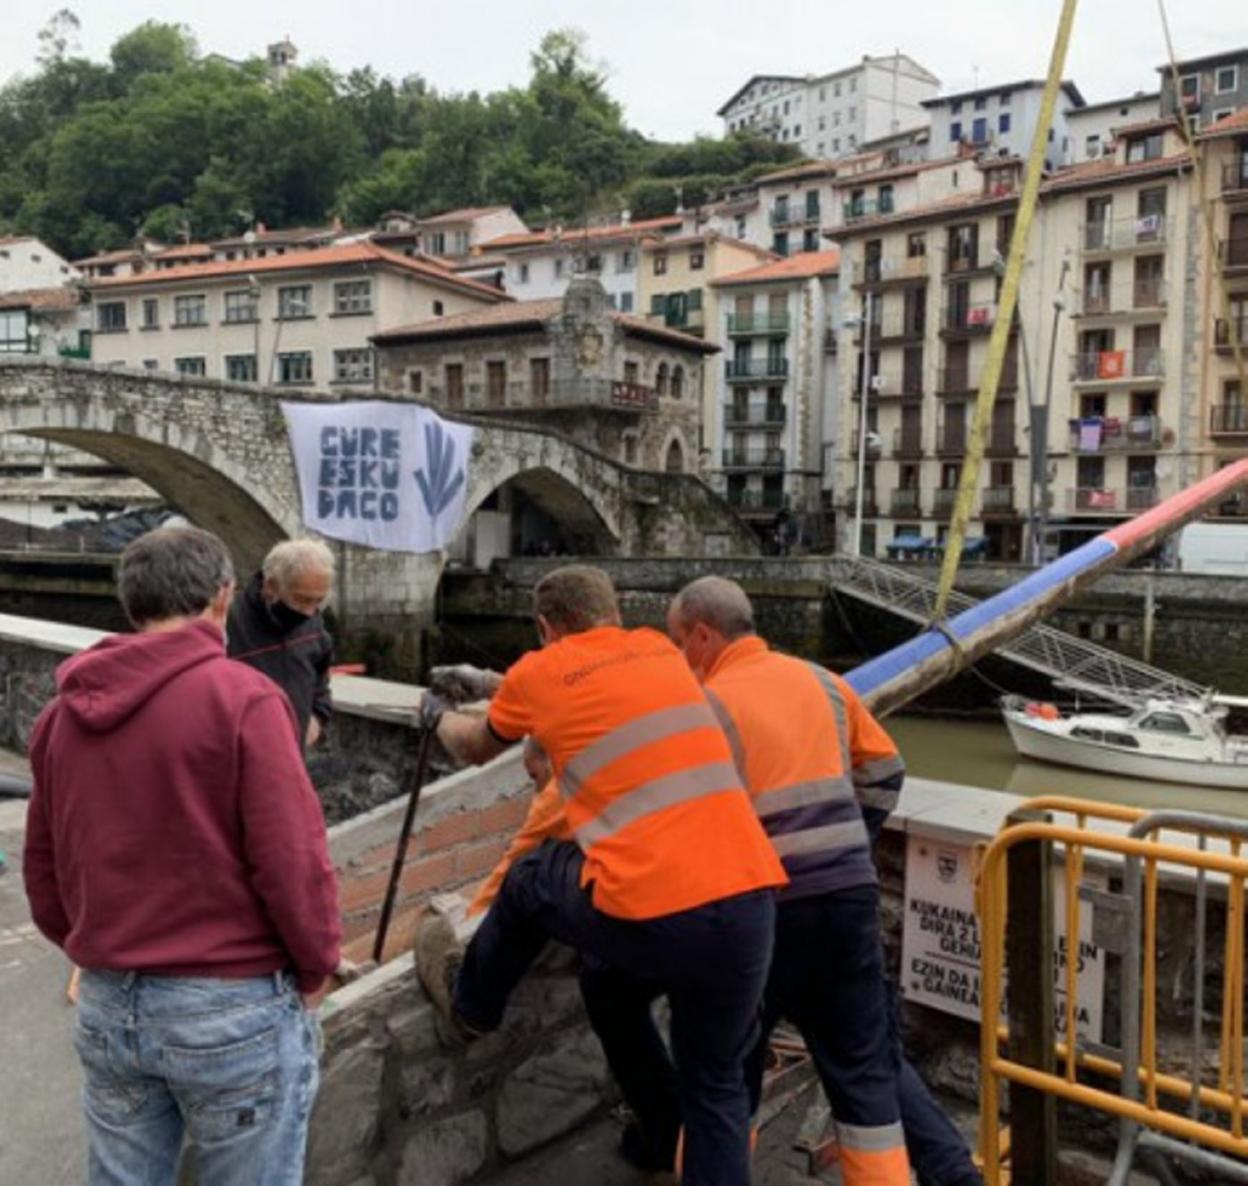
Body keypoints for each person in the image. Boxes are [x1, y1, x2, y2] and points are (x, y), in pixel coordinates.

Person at [415, 564, 787, 1186]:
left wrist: (435, 716)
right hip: (748, 900)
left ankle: (473, 1003)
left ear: (544, 627)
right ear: (614, 612)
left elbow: (478, 743)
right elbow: (596, 692)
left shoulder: (542, 670)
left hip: (655, 909)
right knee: (705, 1077)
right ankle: (664, 1132)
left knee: (533, 875)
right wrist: (489, 680)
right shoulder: (660, 654)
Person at [24, 526, 342, 1186]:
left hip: (112, 1002)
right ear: (224, 599)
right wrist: (317, 964)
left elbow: (44, 872)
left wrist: (97, 949)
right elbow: (292, 861)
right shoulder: (246, 701)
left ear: (132, 604)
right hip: (230, 1006)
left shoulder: (60, 717)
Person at [228, 538, 335, 751]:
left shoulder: (313, 623)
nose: (310, 612)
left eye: (319, 601)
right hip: (241, 757)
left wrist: (318, 714)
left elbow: (320, 677)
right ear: (271, 587)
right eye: (302, 600)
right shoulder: (229, 624)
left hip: (294, 757)